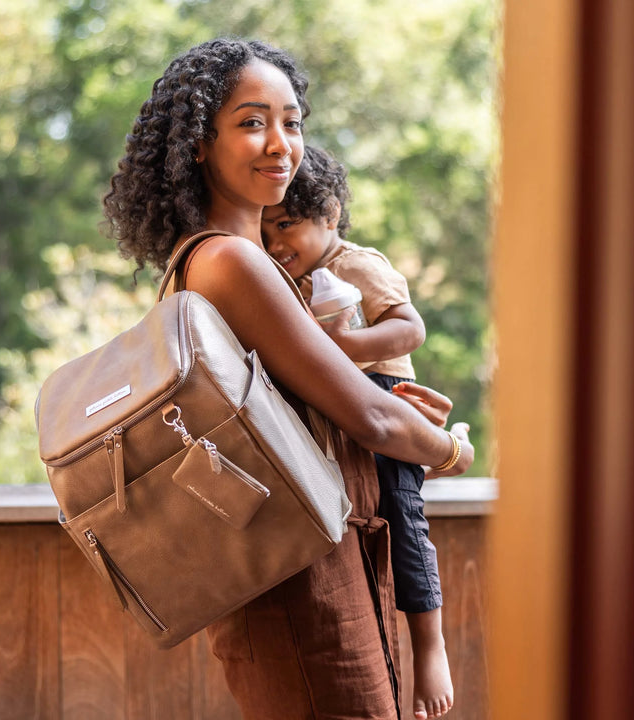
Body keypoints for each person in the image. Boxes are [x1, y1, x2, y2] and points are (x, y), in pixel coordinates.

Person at [103, 37, 474, 720]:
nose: (280, 143)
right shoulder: (231, 264)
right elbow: (376, 417)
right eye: (251, 122)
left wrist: (385, 424)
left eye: (292, 121)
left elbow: (326, 417)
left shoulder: (228, 263)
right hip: (304, 590)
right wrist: (450, 449)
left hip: (318, 570)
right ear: (197, 146)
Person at [262, 144, 457, 720]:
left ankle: (430, 646)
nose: (276, 243)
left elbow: (409, 329)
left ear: (329, 212)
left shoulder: (356, 263)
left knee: (407, 524)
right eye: (266, 230)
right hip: (336, 416)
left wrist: (341, 348)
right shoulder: (281, 275)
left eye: (287, 225)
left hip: (386, 402)